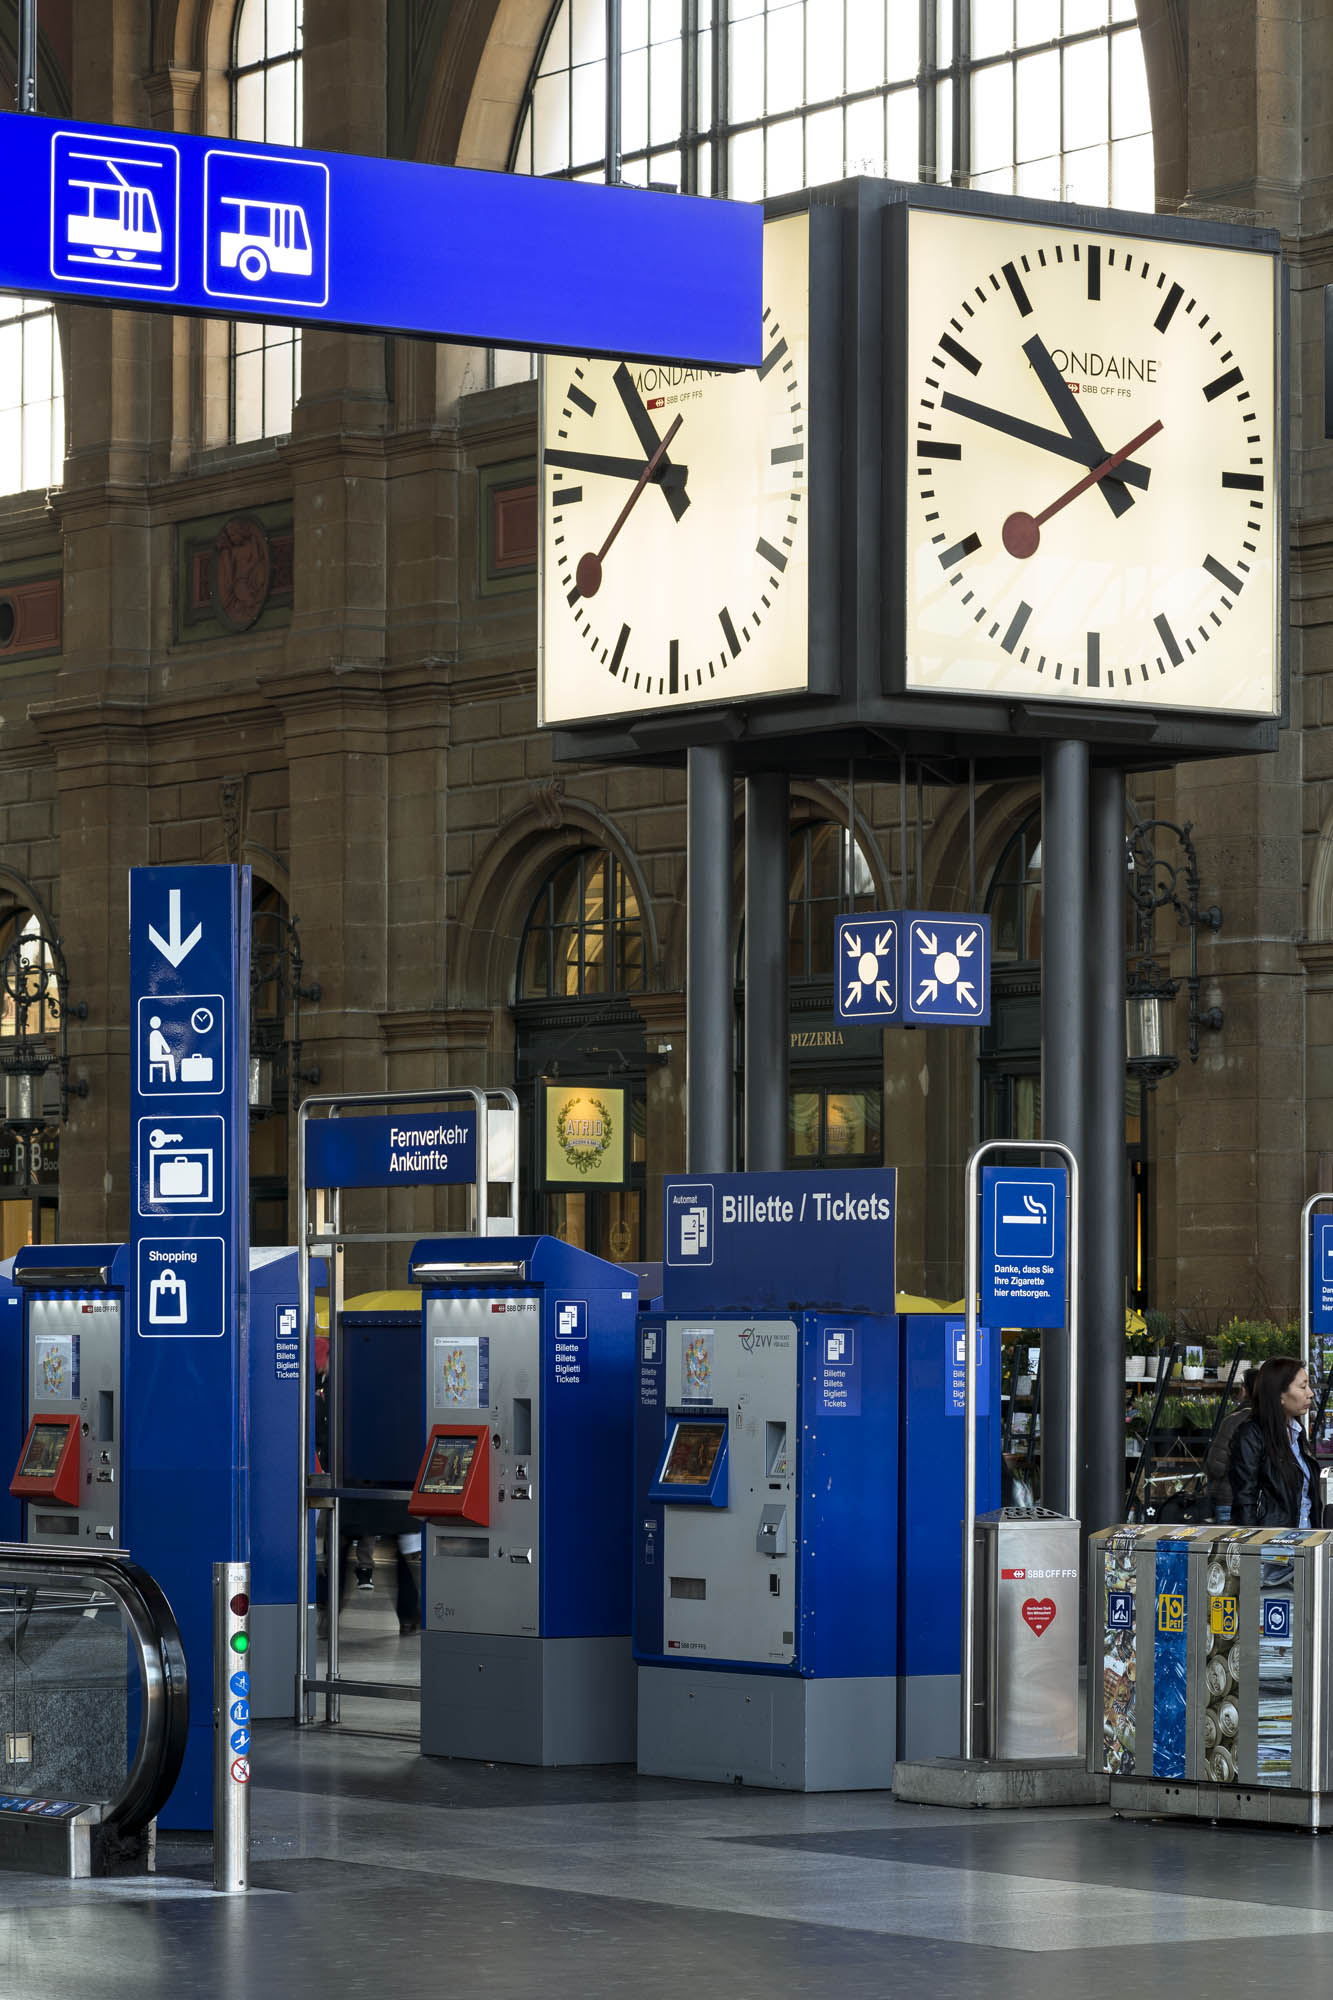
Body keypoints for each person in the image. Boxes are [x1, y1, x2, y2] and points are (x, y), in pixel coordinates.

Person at [1228, 1356, 1319, 1528]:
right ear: (1279, 1395)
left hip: (1304, 1543)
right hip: (1271, 1547)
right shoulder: (1251, 1435)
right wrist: (1252, 1547)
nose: (1310, 1393)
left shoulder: (1296, 1432)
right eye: (1302, 1386)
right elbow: (1244, 1499)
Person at [1205, 1367, 1258, 1520]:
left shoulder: (1233, 1421)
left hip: (1229, 1500)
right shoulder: (1275, 1420)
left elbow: (1216, 1466)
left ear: (1244, 1390)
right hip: (1262, 1505)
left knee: (1227, 1543)